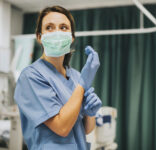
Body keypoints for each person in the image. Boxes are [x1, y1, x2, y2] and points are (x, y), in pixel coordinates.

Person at [14, 5, 102, 150]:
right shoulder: (30, 76)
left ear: (72, 37)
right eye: (49, 27)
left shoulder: (76, 76)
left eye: (63, 27)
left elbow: (85, 129)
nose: (57, 32)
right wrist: (82, 86)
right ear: (39, 37)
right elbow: (62, 127)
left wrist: (90, 114)